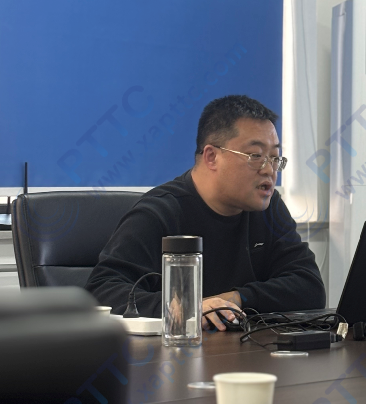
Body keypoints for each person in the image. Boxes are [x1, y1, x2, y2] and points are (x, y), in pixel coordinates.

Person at [84, 95, 326, 331]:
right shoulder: (160, 212)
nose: (269, 170)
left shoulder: (269, 208)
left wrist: (236, 298)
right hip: (172, 352)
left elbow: (309, 287)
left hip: (243, 350)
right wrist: (187, 308)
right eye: (255, 156)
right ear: (212, 157)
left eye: (274, 158)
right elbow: (101, 292)